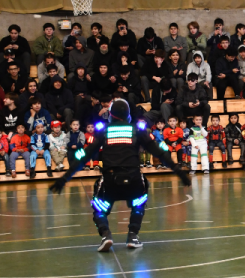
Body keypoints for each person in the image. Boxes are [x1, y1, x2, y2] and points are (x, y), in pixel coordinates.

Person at [50, 100, 191, 251]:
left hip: (110, 180)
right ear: (128, 115)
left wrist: (64, 178)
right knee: (140, 198)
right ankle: (132, 236)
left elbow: (84, 156)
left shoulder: (104, 131)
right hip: (134, 180)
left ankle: (105, 234)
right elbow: (160, 153)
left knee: (99, 208)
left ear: (110, 115)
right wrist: (179, 172)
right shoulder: (137, 130)